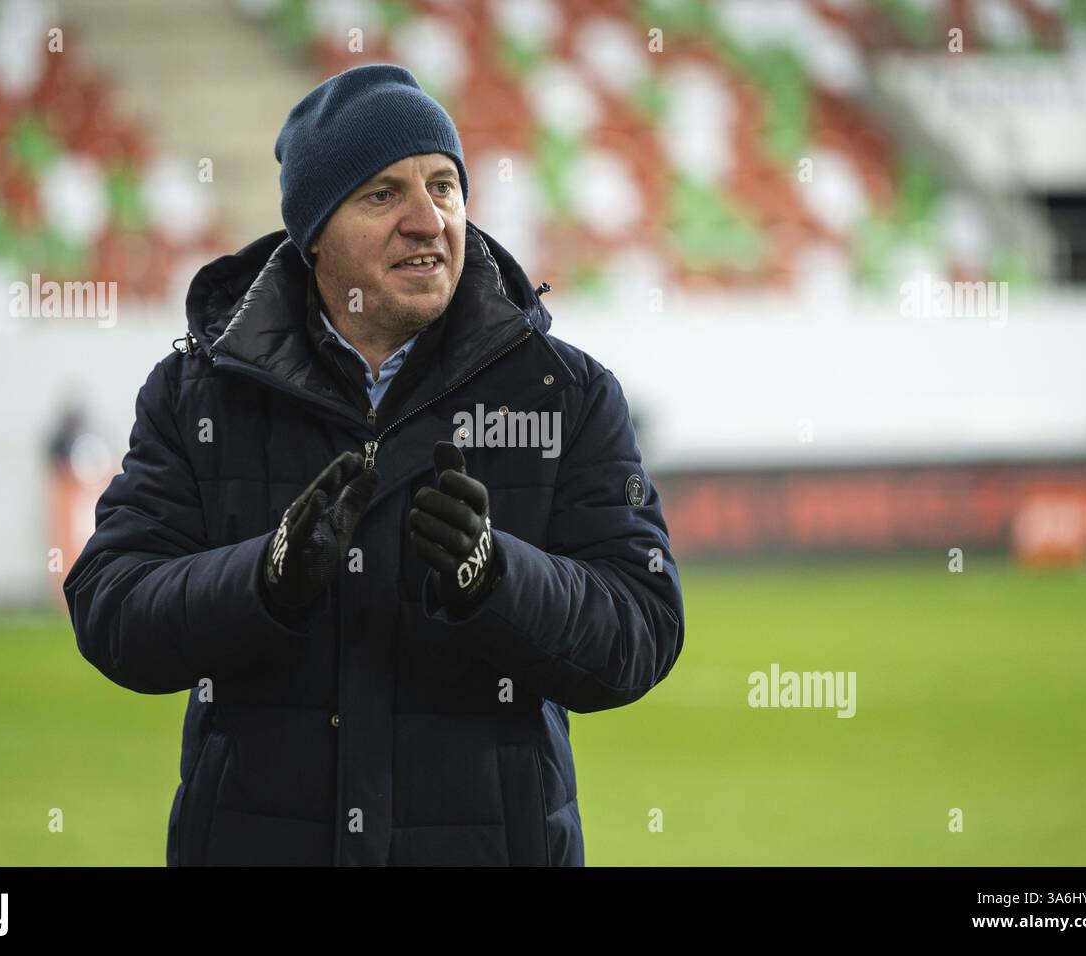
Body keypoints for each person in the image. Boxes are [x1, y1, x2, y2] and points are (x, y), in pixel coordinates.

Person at [63, 63, 685, 866]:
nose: (427, 220)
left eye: (444, 187)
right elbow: (112, 608)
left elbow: (642, 626)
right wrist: (265, 578)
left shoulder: (564, 392)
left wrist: (495, 577)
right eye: (384, 194)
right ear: (315, 234)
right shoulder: (198, 394)